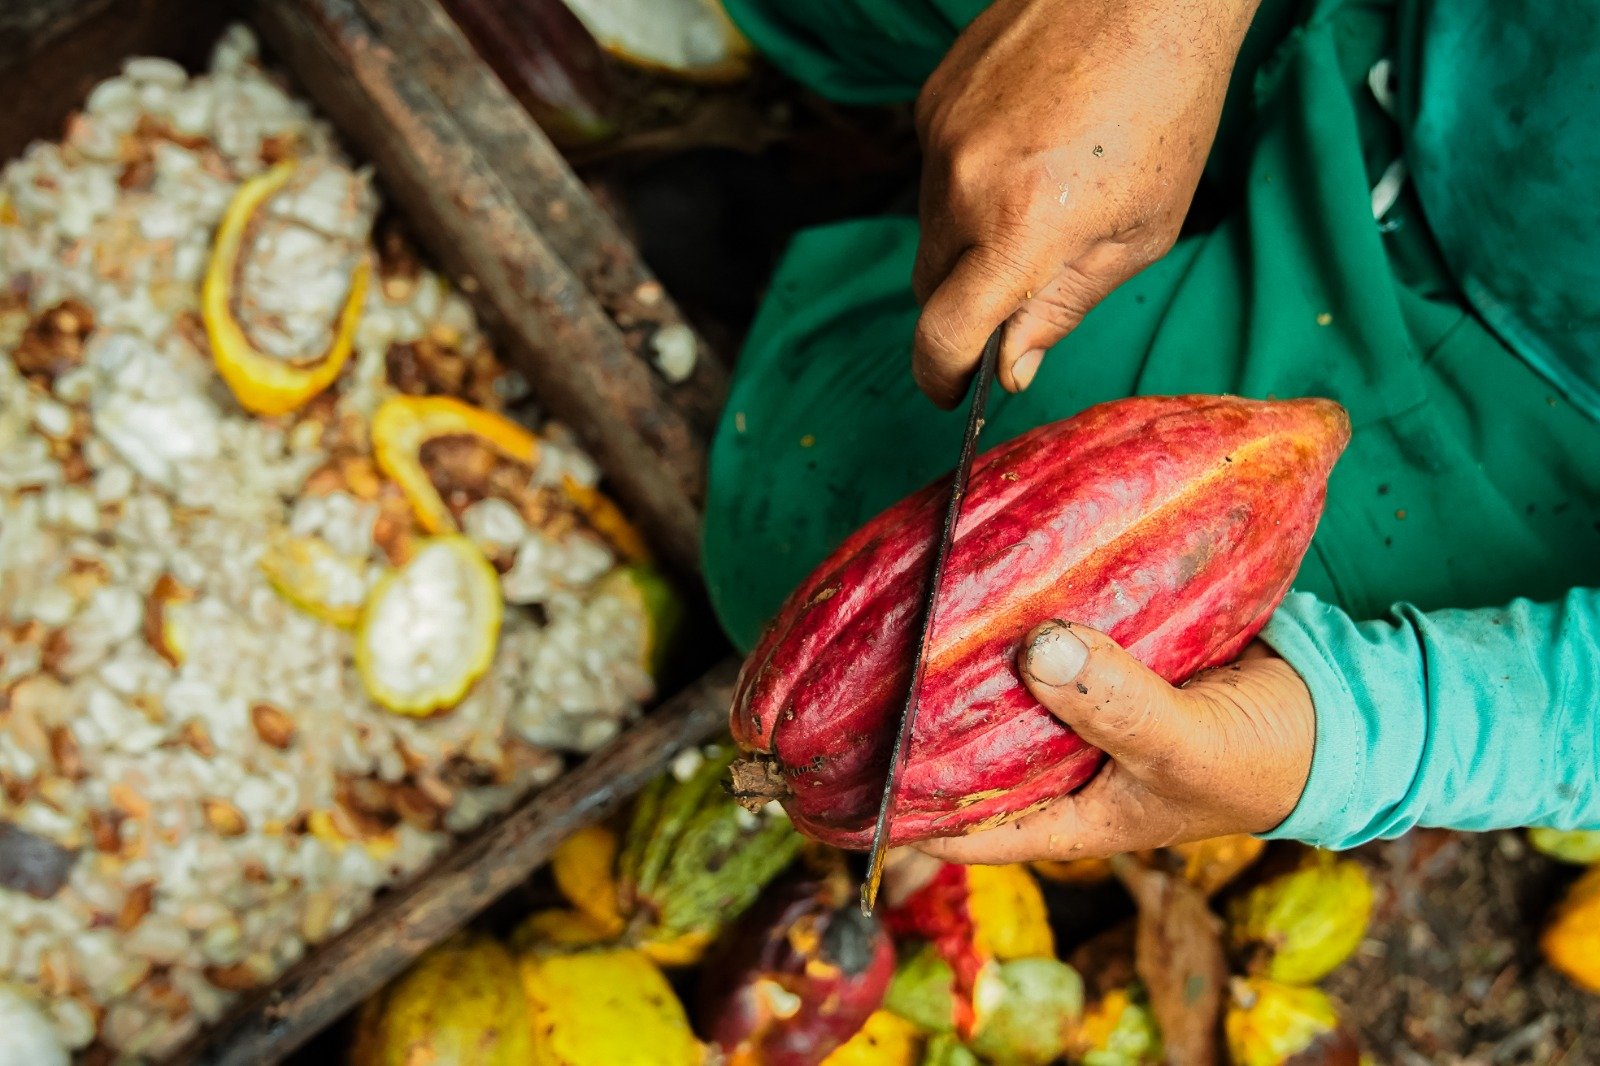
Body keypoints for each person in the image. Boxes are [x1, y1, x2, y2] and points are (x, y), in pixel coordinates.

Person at [701, 0, 1600, 860]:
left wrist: (1368, 733)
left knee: (831, 572)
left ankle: (797, 238)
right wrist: (1156, 16)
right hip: (1433, 30)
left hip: (1535, 401)